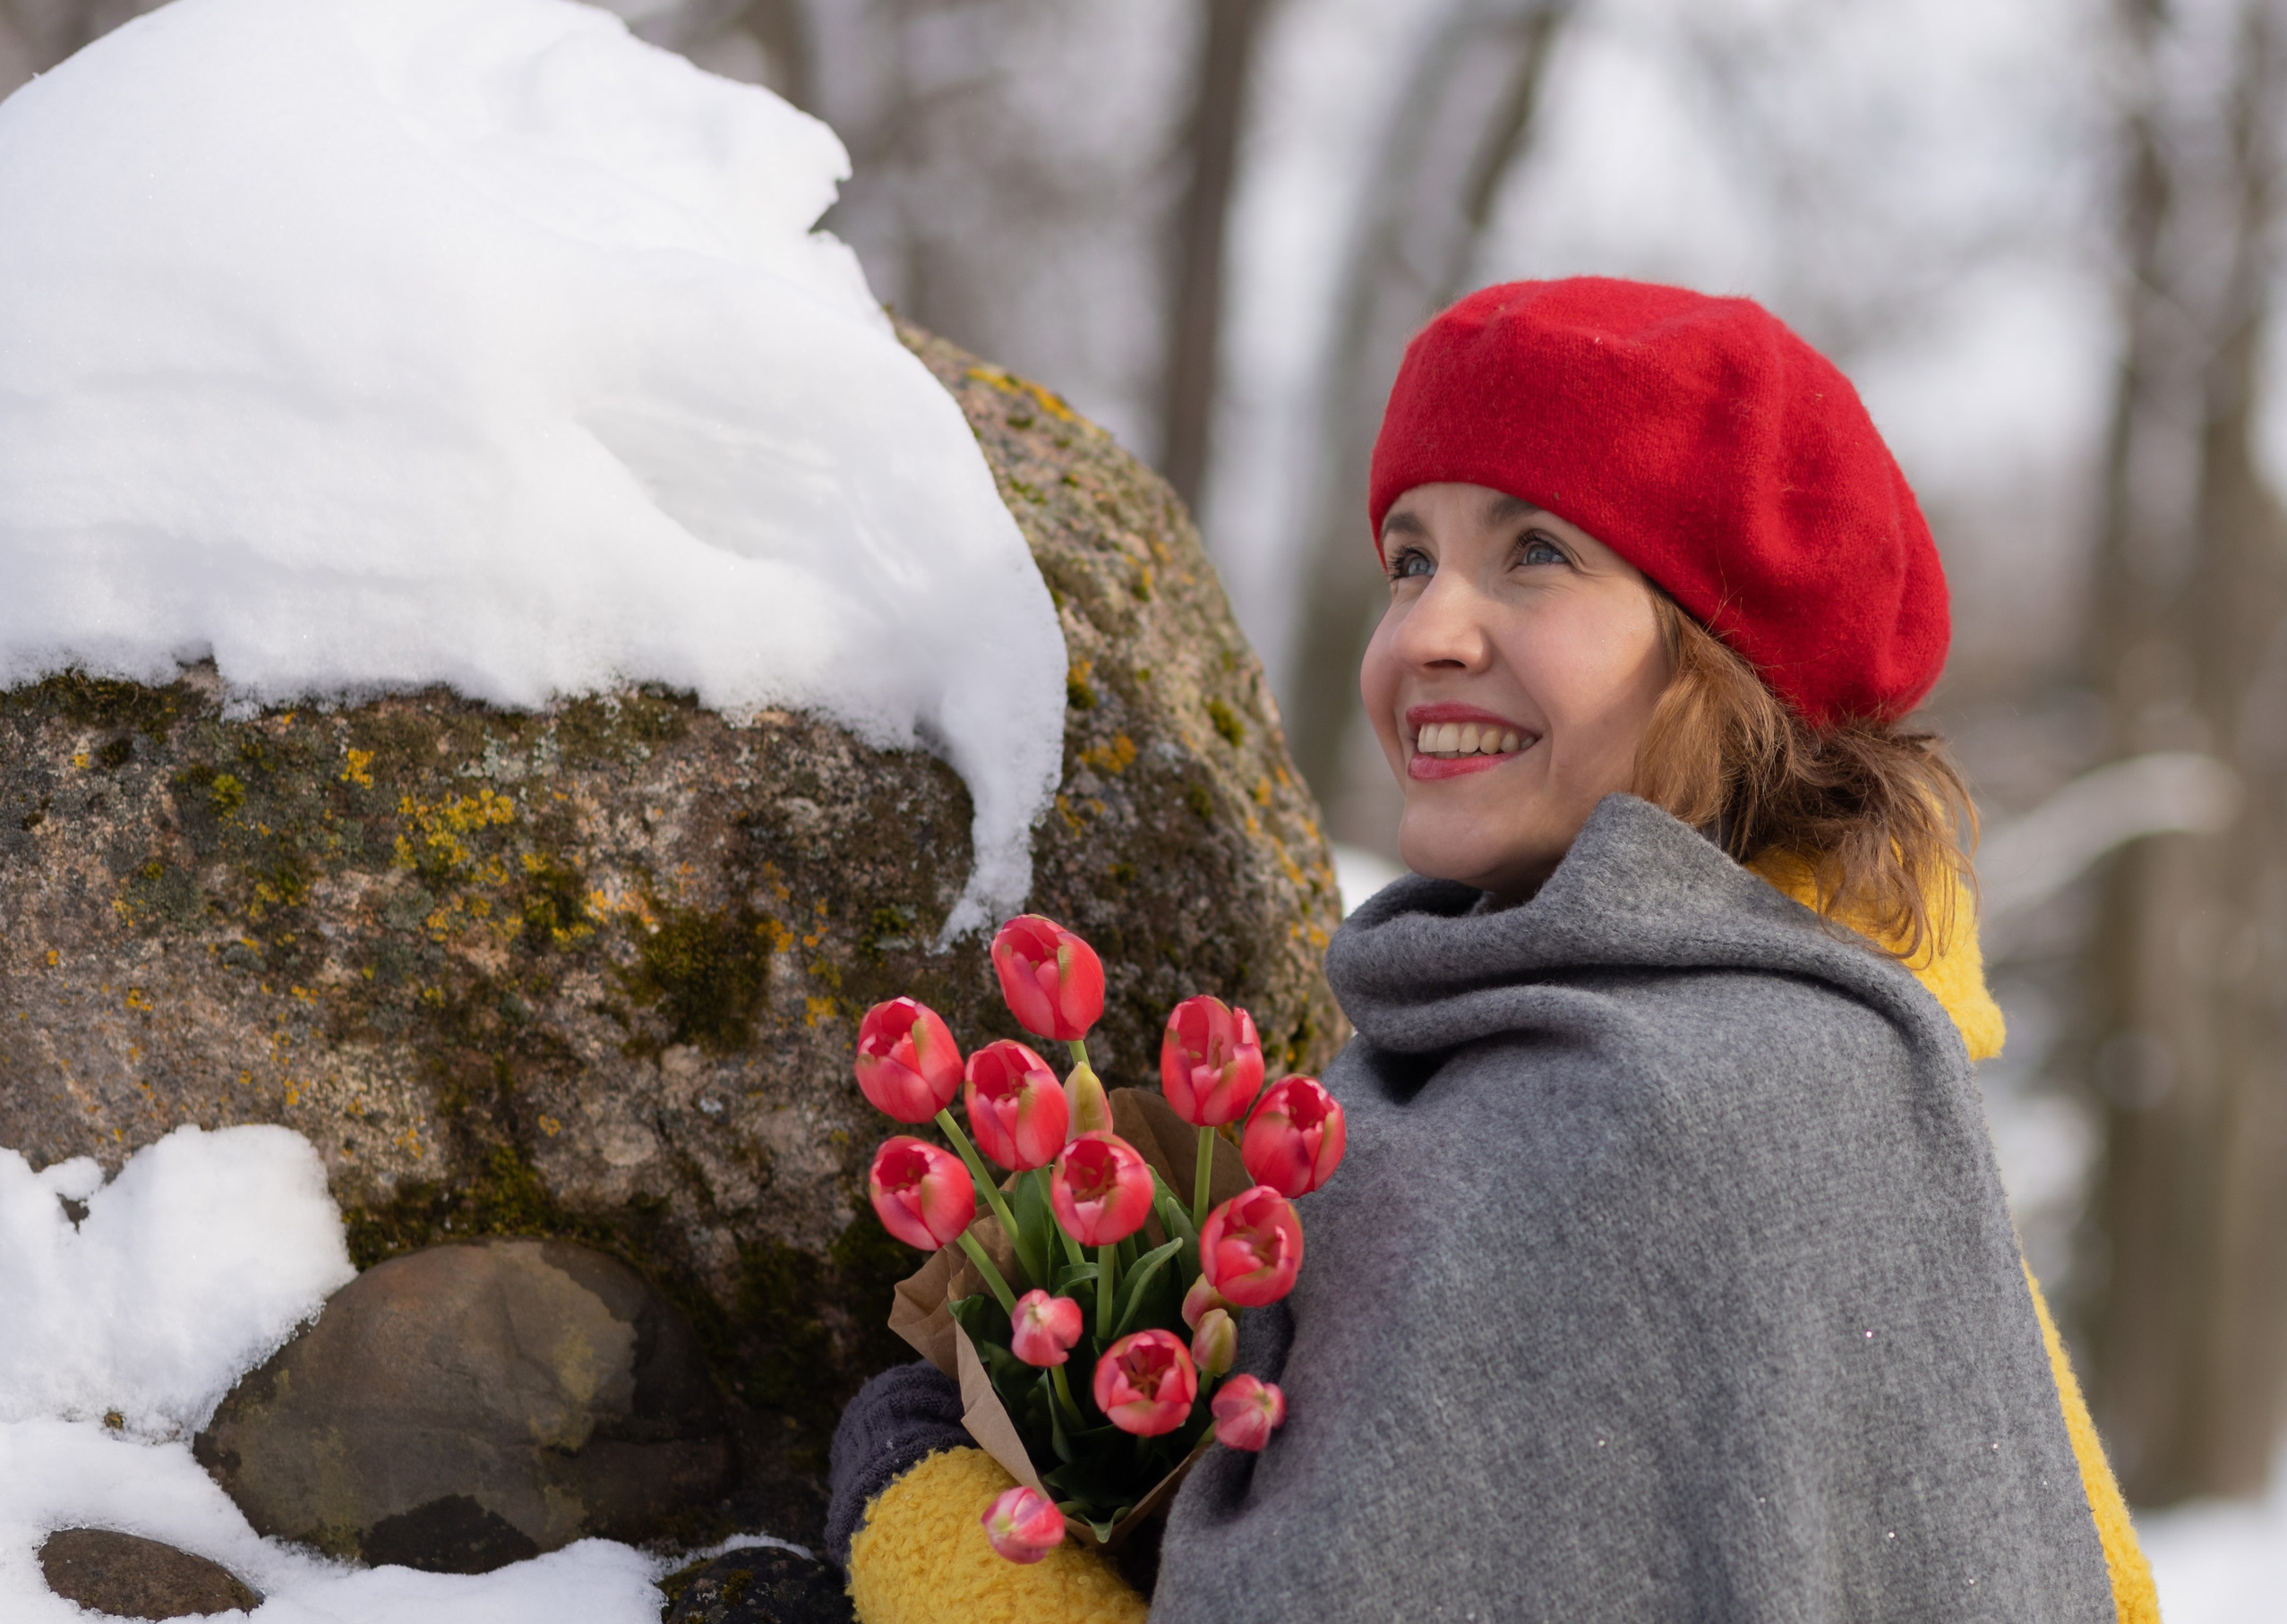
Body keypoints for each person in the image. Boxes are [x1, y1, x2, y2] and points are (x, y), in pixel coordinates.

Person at [826, 277, 2158, 1622]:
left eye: (1536, 554)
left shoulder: (1647, 1116)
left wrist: (921, 1506)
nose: (1426, 634)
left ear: (1721, 652)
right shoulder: (1855, 1065)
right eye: (1410, 559)